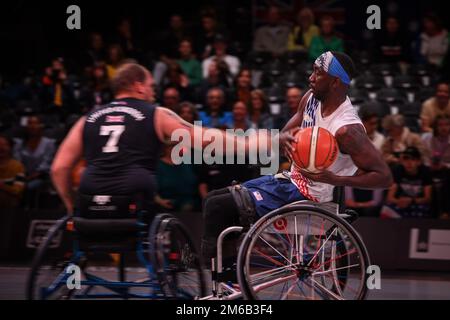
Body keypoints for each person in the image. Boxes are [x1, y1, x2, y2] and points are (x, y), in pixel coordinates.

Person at [201, 51, 393, 261]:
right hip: (290, 182)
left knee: (219, 206)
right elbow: (287, 132)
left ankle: (216, 275)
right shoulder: (311, 98)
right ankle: (225, 276)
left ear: (335, 82)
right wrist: (286, 141)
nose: (311, 78)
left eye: (318, 73)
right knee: (214, 198)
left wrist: (336, 179)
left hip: (311, 198)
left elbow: (384, 177)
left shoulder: (347, 130)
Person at [50, 63, 269, 214]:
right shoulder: (155, 114)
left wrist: (71, 205)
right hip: (134, 199)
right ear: (138, 85)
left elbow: (59, 168)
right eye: (151, 86)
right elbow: (204, 138)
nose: (154, 92)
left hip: (91, 200)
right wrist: (247, 143)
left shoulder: (87, 118)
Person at [381, 147, 433, 218]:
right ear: (402, 161)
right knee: (386, 210)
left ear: (419, 162)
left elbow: (428, 198)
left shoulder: (426, 172)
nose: (409, 162)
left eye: (413, 159)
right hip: (400, 202)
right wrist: (399, 201)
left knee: (423, 211)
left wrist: (411, 200)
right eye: (406, 159)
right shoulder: (397, 170)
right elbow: (389, 197)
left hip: (418, 203)